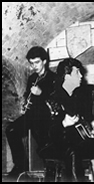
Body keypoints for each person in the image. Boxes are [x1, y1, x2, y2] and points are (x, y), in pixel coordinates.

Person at [41, 58, 94, 182]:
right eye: (77, 72)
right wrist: (63, 124)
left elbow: (87, 116)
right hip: (56, 145)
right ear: (67, 77)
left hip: (79, 141)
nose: (81, 76)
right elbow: (47, 133)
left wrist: (93, 122)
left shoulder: (80, 95)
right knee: (72, 152)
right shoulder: (52, 99)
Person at [5, 46, 56, 178]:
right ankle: (20, 165)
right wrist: (24, 104)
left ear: (45, 61)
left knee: (45, 145)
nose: (34, 66)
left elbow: (56, 100)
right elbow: (28, 95)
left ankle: (51, 170)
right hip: (31, 115)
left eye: (37, 62)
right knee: (11, 130)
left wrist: (42, 93)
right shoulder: (32, 77)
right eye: (31, 63)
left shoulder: (53, 78)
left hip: (45, 117)